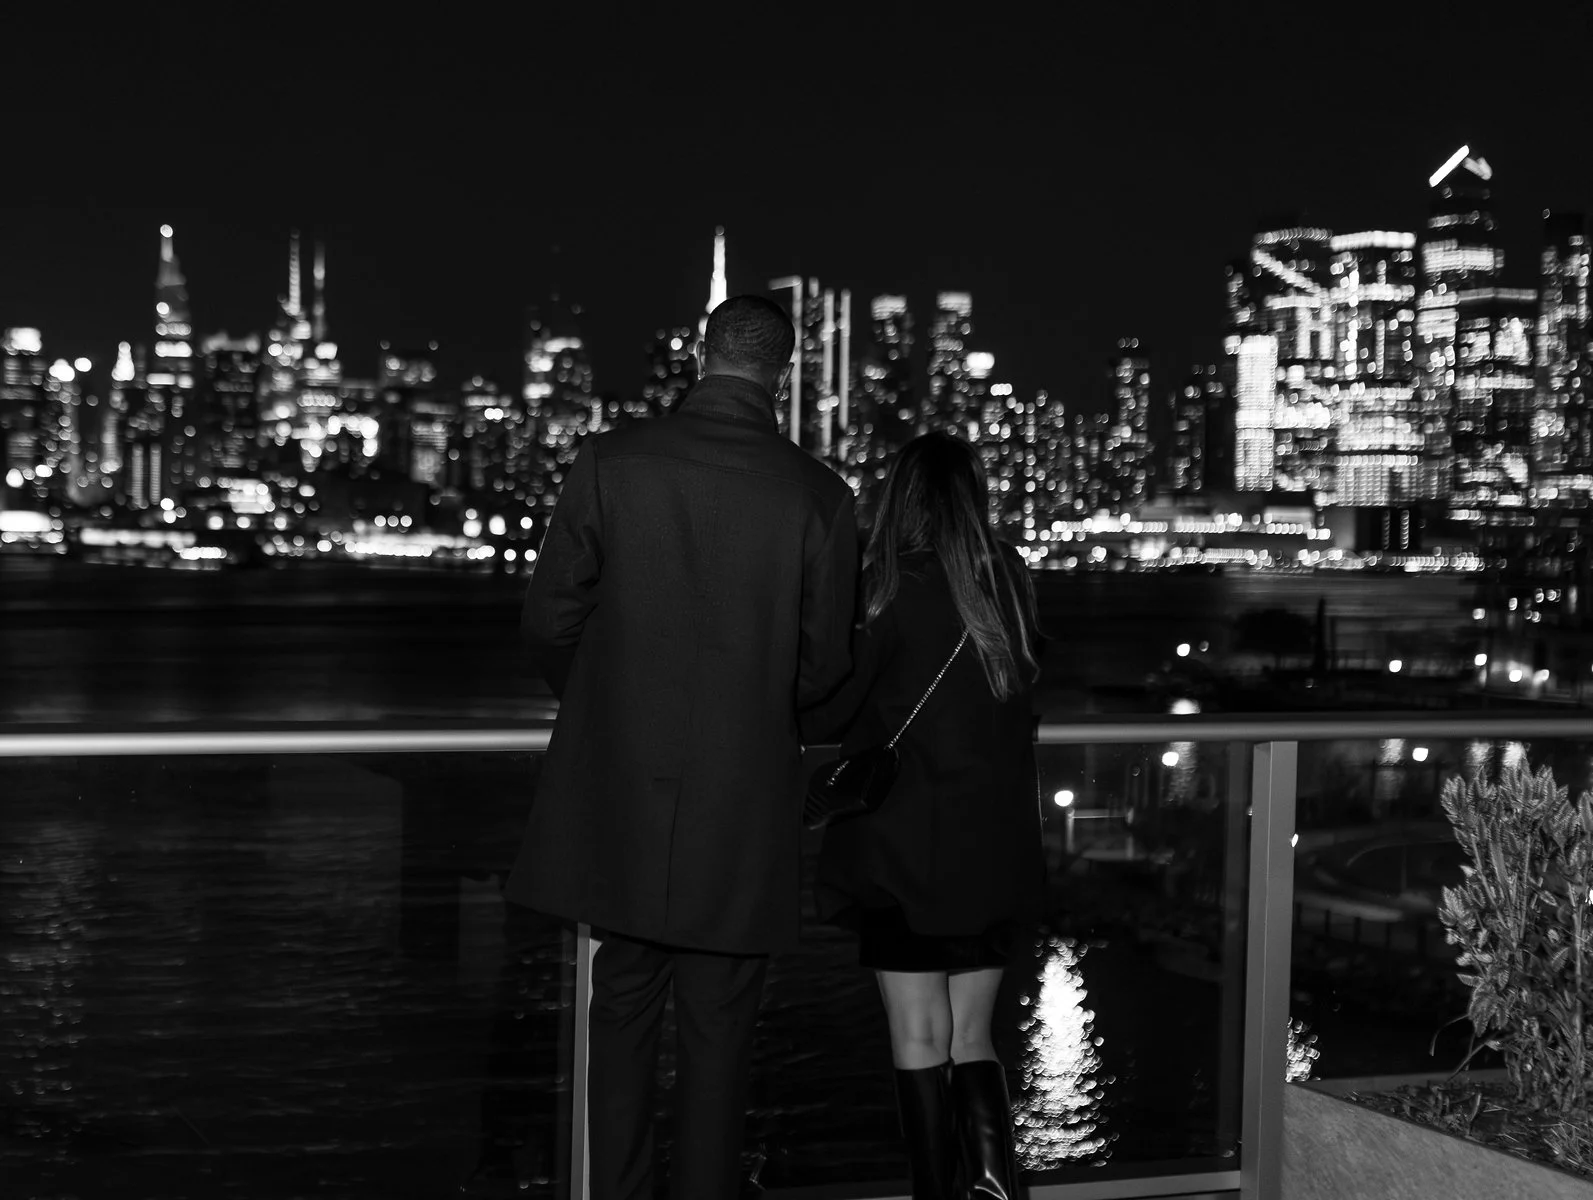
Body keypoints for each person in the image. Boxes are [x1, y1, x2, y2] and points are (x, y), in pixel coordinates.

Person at [505, 294, 859, 1200]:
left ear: (702, 354)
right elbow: (826, 667)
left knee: (619, 1003)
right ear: (783, 373)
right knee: (720, 1025)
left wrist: (602, 703)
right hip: (741, 797)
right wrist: (755, 714)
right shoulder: (818, 494)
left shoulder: (610, 461)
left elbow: (550, 618)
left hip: (623, 779)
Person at [801, 431, 1045, 1200]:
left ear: (899, 497)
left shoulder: (884, 584)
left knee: (917, 1038)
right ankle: (992, 1194)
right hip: (994, 847)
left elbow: (832, 703)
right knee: (973, 1038)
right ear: (971, 497)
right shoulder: (1008, 579)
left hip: (899, 850)